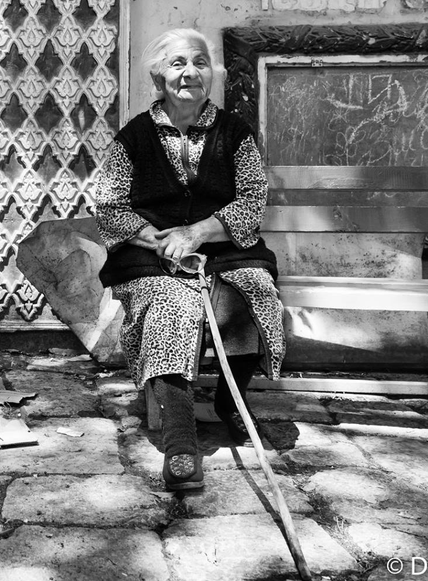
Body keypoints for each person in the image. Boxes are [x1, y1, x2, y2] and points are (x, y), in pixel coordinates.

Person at [94, 27, 285, 492]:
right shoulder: (134, 137)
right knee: (170, 306)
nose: (191, 72)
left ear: (211, 74)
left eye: (200, 62)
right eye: (179, 63)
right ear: (159, 75)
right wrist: (152, 237)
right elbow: (108, 205)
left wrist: (197, 232)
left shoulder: (234, 133)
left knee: (252, 295)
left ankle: (229, 403)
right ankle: (181, 440)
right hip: (153, 254)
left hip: (224, 247)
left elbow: (252, 199)